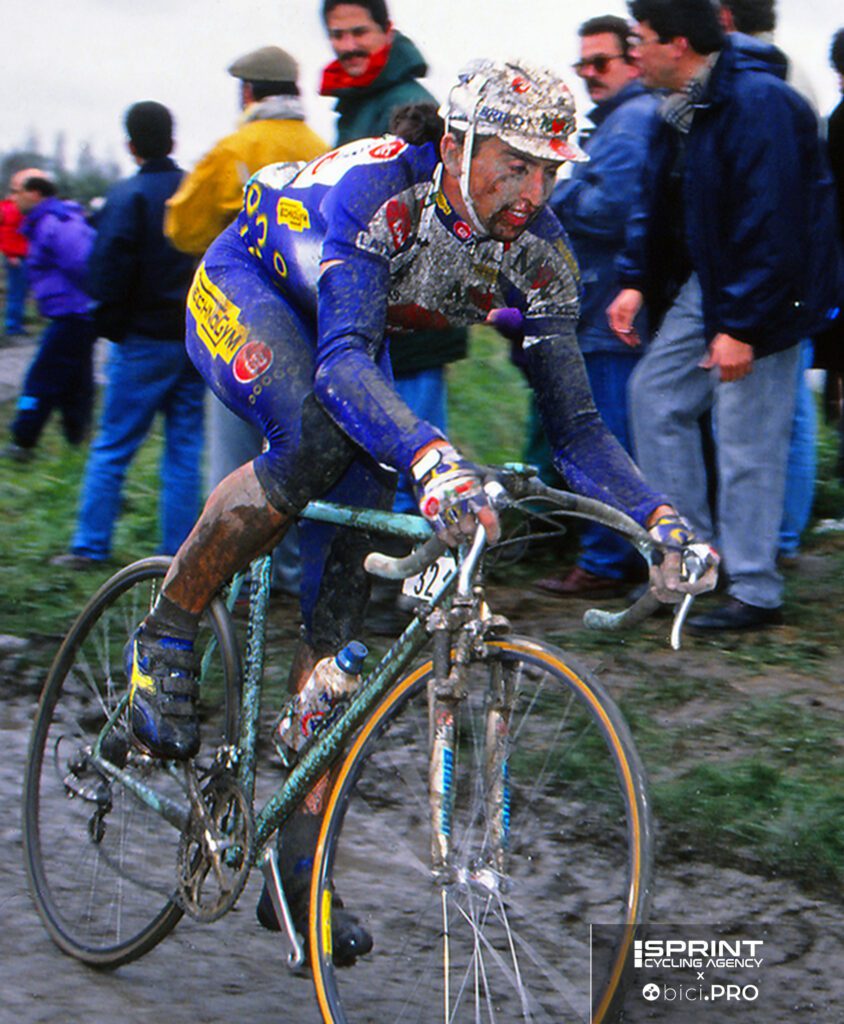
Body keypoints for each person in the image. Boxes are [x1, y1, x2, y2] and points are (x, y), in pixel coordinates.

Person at [125, 59, 717, 959]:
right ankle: (165, 634)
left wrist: (659, 520)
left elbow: (580, 432)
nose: (530, 190)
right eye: (511, 164)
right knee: (320, 437)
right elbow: (341, 367)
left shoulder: (544, 255)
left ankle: (296, 873)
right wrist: (434, 457)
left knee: (345, 630)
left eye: (547, 169)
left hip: (346, 343)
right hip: (252, 287)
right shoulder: (382, 195)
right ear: (457, 146)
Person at [608, 0, 840, 631]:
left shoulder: (761, 104)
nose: (634, 53)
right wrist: (632, 281)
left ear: (677, 44)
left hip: (767, 295)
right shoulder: (683, 105)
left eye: (641, 40)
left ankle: (756, 592)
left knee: (747, 439)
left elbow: (775, 230)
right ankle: (694, 563)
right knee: (654, 397)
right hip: (710, 284)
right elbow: (653, 202)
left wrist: (741, 327)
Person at [320, 0, 468, 635]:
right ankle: (397, 586)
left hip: (408, 321)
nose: (349, 44)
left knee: (414, 457)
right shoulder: (356, 104)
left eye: (360, 32)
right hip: (379, 315)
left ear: (388, 32)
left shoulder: (406, 101)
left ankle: (430, 592)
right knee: (382, 459)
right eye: (338, 35)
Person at [166, 45, 328, 597]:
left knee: (233, 456)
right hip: (308, 322)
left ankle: (227, 582)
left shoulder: (234, 149)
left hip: (241, 323)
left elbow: (182, 228)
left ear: (248, 92)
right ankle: (284, 579)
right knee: (292, 446)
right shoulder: (324, 149)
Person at [533, 14, 661, 597]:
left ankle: (609, 561)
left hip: (610, 310)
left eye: (601, 63)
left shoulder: (631, 123)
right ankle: (616, 555)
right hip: (603, 304)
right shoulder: (619, 123)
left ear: (633, 60)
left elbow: (612, 209)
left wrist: (560, 187)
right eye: (582, 64)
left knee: (604, 437)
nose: (589, 75)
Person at [51, 102, 204, 569]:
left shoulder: (125, 196)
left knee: (114, 444)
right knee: (184, 449)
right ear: (173, 141)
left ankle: (90, 544)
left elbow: (107, 270)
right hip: (195, 341)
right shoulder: (194, 192)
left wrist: (110, 325)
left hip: (141, 341)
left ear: (131, 145)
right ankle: (178, 551)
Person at [4, 173, 96, 462]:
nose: (11, 197)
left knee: (41, 378)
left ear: (34, 193)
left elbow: (82, 263)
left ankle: (23, 440)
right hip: (74, 314)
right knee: (75, 381)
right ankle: (76, 439)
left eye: (15, 190)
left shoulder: (56, 223)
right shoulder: (46, 221)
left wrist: (81, 299)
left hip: (72, 315)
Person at [0, 170, 30, 337]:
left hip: (22, 254)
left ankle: (16, 324)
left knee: (20, 291)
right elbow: (4, 233)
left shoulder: (12, 208)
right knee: (17, 292)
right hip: (16, 256)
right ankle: (13, 326)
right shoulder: (9, 209)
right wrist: (10, 254)